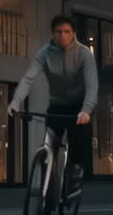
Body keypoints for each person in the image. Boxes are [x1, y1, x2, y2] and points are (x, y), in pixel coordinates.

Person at [7, 14, 98, 185]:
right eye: (58, 32)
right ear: (53, 33)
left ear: (73, 33)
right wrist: (16, 101)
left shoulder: (84, 53)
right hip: (56, 106)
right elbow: (29, 78)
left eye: (67, 31)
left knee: (77, 144)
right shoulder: (45, 53)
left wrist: (86, 110)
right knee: (49, 149)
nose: (62, 35)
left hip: (78, 108)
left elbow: (92, 84)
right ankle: (47, 191)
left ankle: (75, 170)